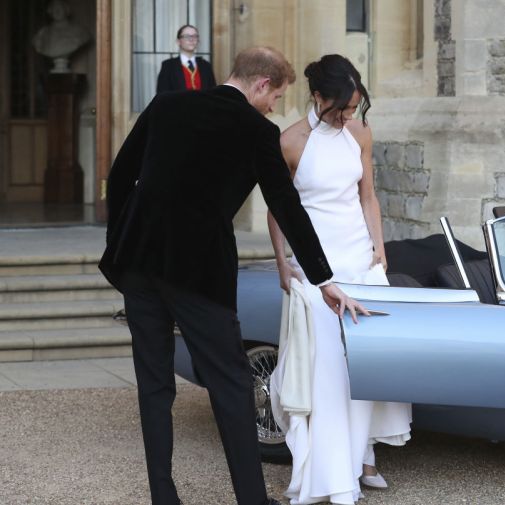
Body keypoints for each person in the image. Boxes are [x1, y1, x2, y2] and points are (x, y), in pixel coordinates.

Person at [99, 46, 366, 505]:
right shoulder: (257, 130)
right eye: (276, 97)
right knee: (233, 386)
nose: (275, 106)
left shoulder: (166, 105)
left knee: (155, 386)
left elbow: (121, 177)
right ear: (262, 84)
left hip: (140, 265)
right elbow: (286, 206)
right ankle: (251, 500)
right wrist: (325, 279)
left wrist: (122, 244)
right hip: (199, 273)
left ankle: (163, 497)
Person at [268, 54, 412, 505]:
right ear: (318, 97)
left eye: (354, 107)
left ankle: (362, 455)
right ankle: (331, 473)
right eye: (342, 108)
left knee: (368, 363)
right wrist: (281, 262)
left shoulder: (360, 133)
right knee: (328, 370)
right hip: (317, 267)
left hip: (359, 260)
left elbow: (367, 194)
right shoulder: (290, 142)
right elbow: (278, 208)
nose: (349, 115)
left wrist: (380, 247)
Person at [156, 24, 216, 93]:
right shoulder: (168, 66)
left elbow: (213, 93)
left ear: (198, 41)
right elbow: (162, 94)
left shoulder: (206, 66)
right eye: (187, 36)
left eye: (195, 36)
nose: (191, 39)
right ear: (178, 41)